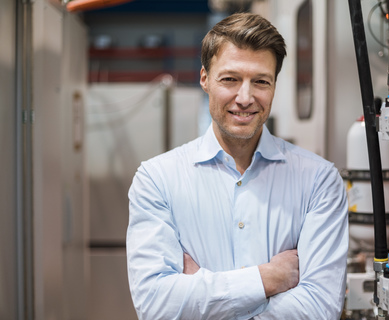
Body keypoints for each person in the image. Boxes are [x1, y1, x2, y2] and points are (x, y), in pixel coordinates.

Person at [127, 12, 348, 320]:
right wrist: (270, 277)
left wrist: (200, 292)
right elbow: (156, 306)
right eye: (230, 79)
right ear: (204, 79)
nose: (245, 98)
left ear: (274, 85)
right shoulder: (157, 179)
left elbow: (321, 307)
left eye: (260, 81)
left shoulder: (319, 181)